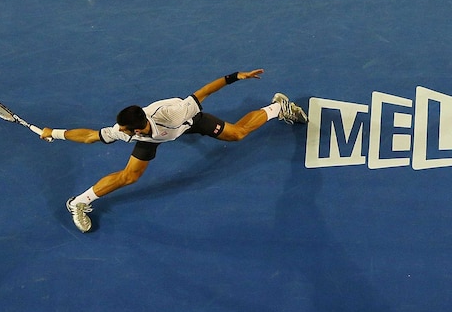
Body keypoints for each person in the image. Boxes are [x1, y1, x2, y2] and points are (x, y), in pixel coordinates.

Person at [40, 69, 308, 233]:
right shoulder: (126, 130)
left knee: (237, 134)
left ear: (138, 126)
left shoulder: (175, 112)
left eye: (127, 130)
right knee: (129, 176)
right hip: (155, 139)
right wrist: (53, 132)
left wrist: (236, 77)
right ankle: (79, 202)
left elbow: (203, 92)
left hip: (189, 125)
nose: (122, 132)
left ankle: (277, 108)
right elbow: (89, 137)